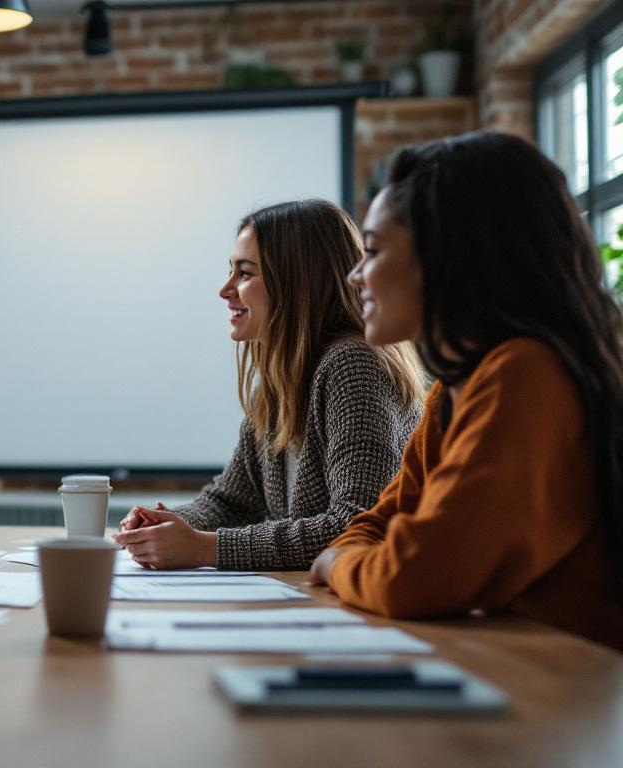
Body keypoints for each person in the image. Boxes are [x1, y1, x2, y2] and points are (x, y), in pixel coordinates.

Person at [309, 132, 623, 651]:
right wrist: (353, 556)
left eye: (373, 250)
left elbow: (414, 575)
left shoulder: (527, 374)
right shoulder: (453, 391)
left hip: (566, 690)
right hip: (513, 669)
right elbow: (373, 529)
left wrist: (340, 564)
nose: (354, 276)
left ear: (450, 256)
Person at [114, 200, 427, 570]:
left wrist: (203, 549)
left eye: (245, 274)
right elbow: (230, 500)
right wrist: (166, 525)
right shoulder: (282, 382)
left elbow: (355, 527)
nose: (225, 290)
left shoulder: (352, 365)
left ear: (296, 281)